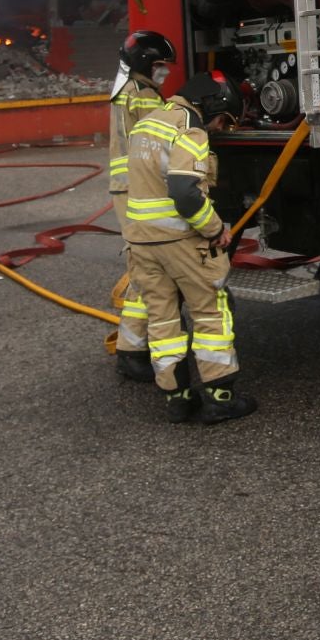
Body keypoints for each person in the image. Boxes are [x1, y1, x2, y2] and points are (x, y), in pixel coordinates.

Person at [122, 70, 256, 424]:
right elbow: (184, 192)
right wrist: (214, 231)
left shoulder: (147, 124)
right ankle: (220, 399)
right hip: (181, 242)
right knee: (211, 313)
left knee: (162, 319)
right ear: (212, 106)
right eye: (221, 120)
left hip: (141, 241)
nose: (217, 128)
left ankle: (177, 399)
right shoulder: (189, 130)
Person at [108, 30, 175, 383]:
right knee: (149, 270)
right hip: (140, 191)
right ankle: (132, 352)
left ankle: (133, 348)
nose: (165, 71)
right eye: (161, 65)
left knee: (145, 268)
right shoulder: (145, 96)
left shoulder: (125, 91)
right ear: (147, 62)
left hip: (129, 189)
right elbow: (163, 142)